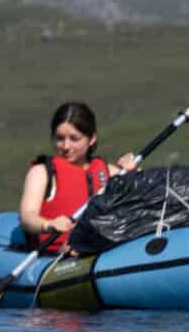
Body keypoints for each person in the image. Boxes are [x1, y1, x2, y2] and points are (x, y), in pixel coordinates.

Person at [18, 100, 140, 254]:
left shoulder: (109, 172)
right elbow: (27, 217)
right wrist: (48, 225)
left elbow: (142, 200)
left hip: (101, 252)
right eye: (60, 138)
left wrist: (132, 173)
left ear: (92, 139)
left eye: (74, 139)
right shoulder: (42, 173)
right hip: (56, 257)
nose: (66, 146)